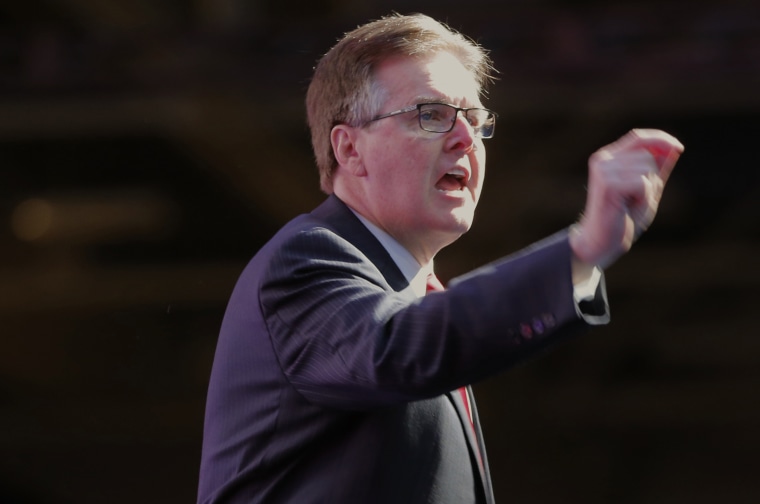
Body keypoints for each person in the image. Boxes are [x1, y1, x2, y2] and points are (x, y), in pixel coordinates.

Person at [196, 13, 683, 504]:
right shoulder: (305, 259)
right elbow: (396, 348)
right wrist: (580, 251)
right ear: (349, 150)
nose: (466, 139)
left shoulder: (415, 293)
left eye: (474, 119)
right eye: (431, 114)